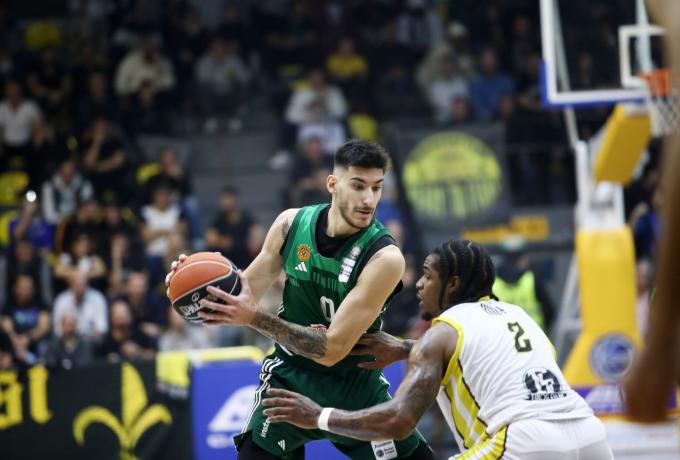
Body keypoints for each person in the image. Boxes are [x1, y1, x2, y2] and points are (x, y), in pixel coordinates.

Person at [167, 140, 433, 459]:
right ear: (332, 184)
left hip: (354, 385)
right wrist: (195, 287)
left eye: (376, 188)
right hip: (290, 377)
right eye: (358, 185)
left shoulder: (384, 258)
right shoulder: (290, 225)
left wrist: (254, 317)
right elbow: (237, 298)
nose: (368, 199)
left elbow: (331, 350)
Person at [261, 240, 613, 459]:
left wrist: (317, 416)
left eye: (428, 276)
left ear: (453, 284)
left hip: (523, 441)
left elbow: (399, 421)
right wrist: (405, 348)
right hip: (590, 434)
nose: (418, 284)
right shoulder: (517, 316)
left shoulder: (442, 330)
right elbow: (477, 352)